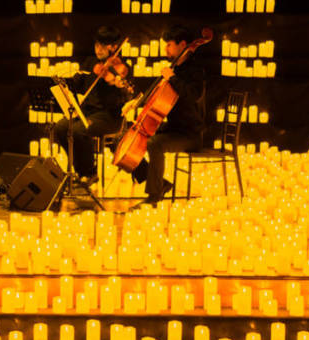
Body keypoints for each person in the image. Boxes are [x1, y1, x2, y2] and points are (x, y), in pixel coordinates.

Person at [122, 25, 206, 205]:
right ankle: (161, 184)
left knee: (155, 144)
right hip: (174, 129)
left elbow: (194, 95)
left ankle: (154, 196)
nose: (165, 49)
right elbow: (158, 96)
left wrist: (172, 78)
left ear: (182, 44)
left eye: (169, 44)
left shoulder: (195, 70)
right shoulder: (174, 69)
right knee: (132, 136)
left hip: (190, 134)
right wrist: (136, 103)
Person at [53, 26, 135, 189]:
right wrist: (65, 80)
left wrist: (119, 85)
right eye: (96, 45)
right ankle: (78, 170)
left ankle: (89, 173)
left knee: (78, 130)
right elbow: (77, 84)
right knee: (61, 128)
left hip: (109, 116)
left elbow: (127, 95)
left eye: (102, 46)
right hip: (88, 112)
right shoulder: (90, 63)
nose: (98, 49)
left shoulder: (122, 67)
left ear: (113, 47)